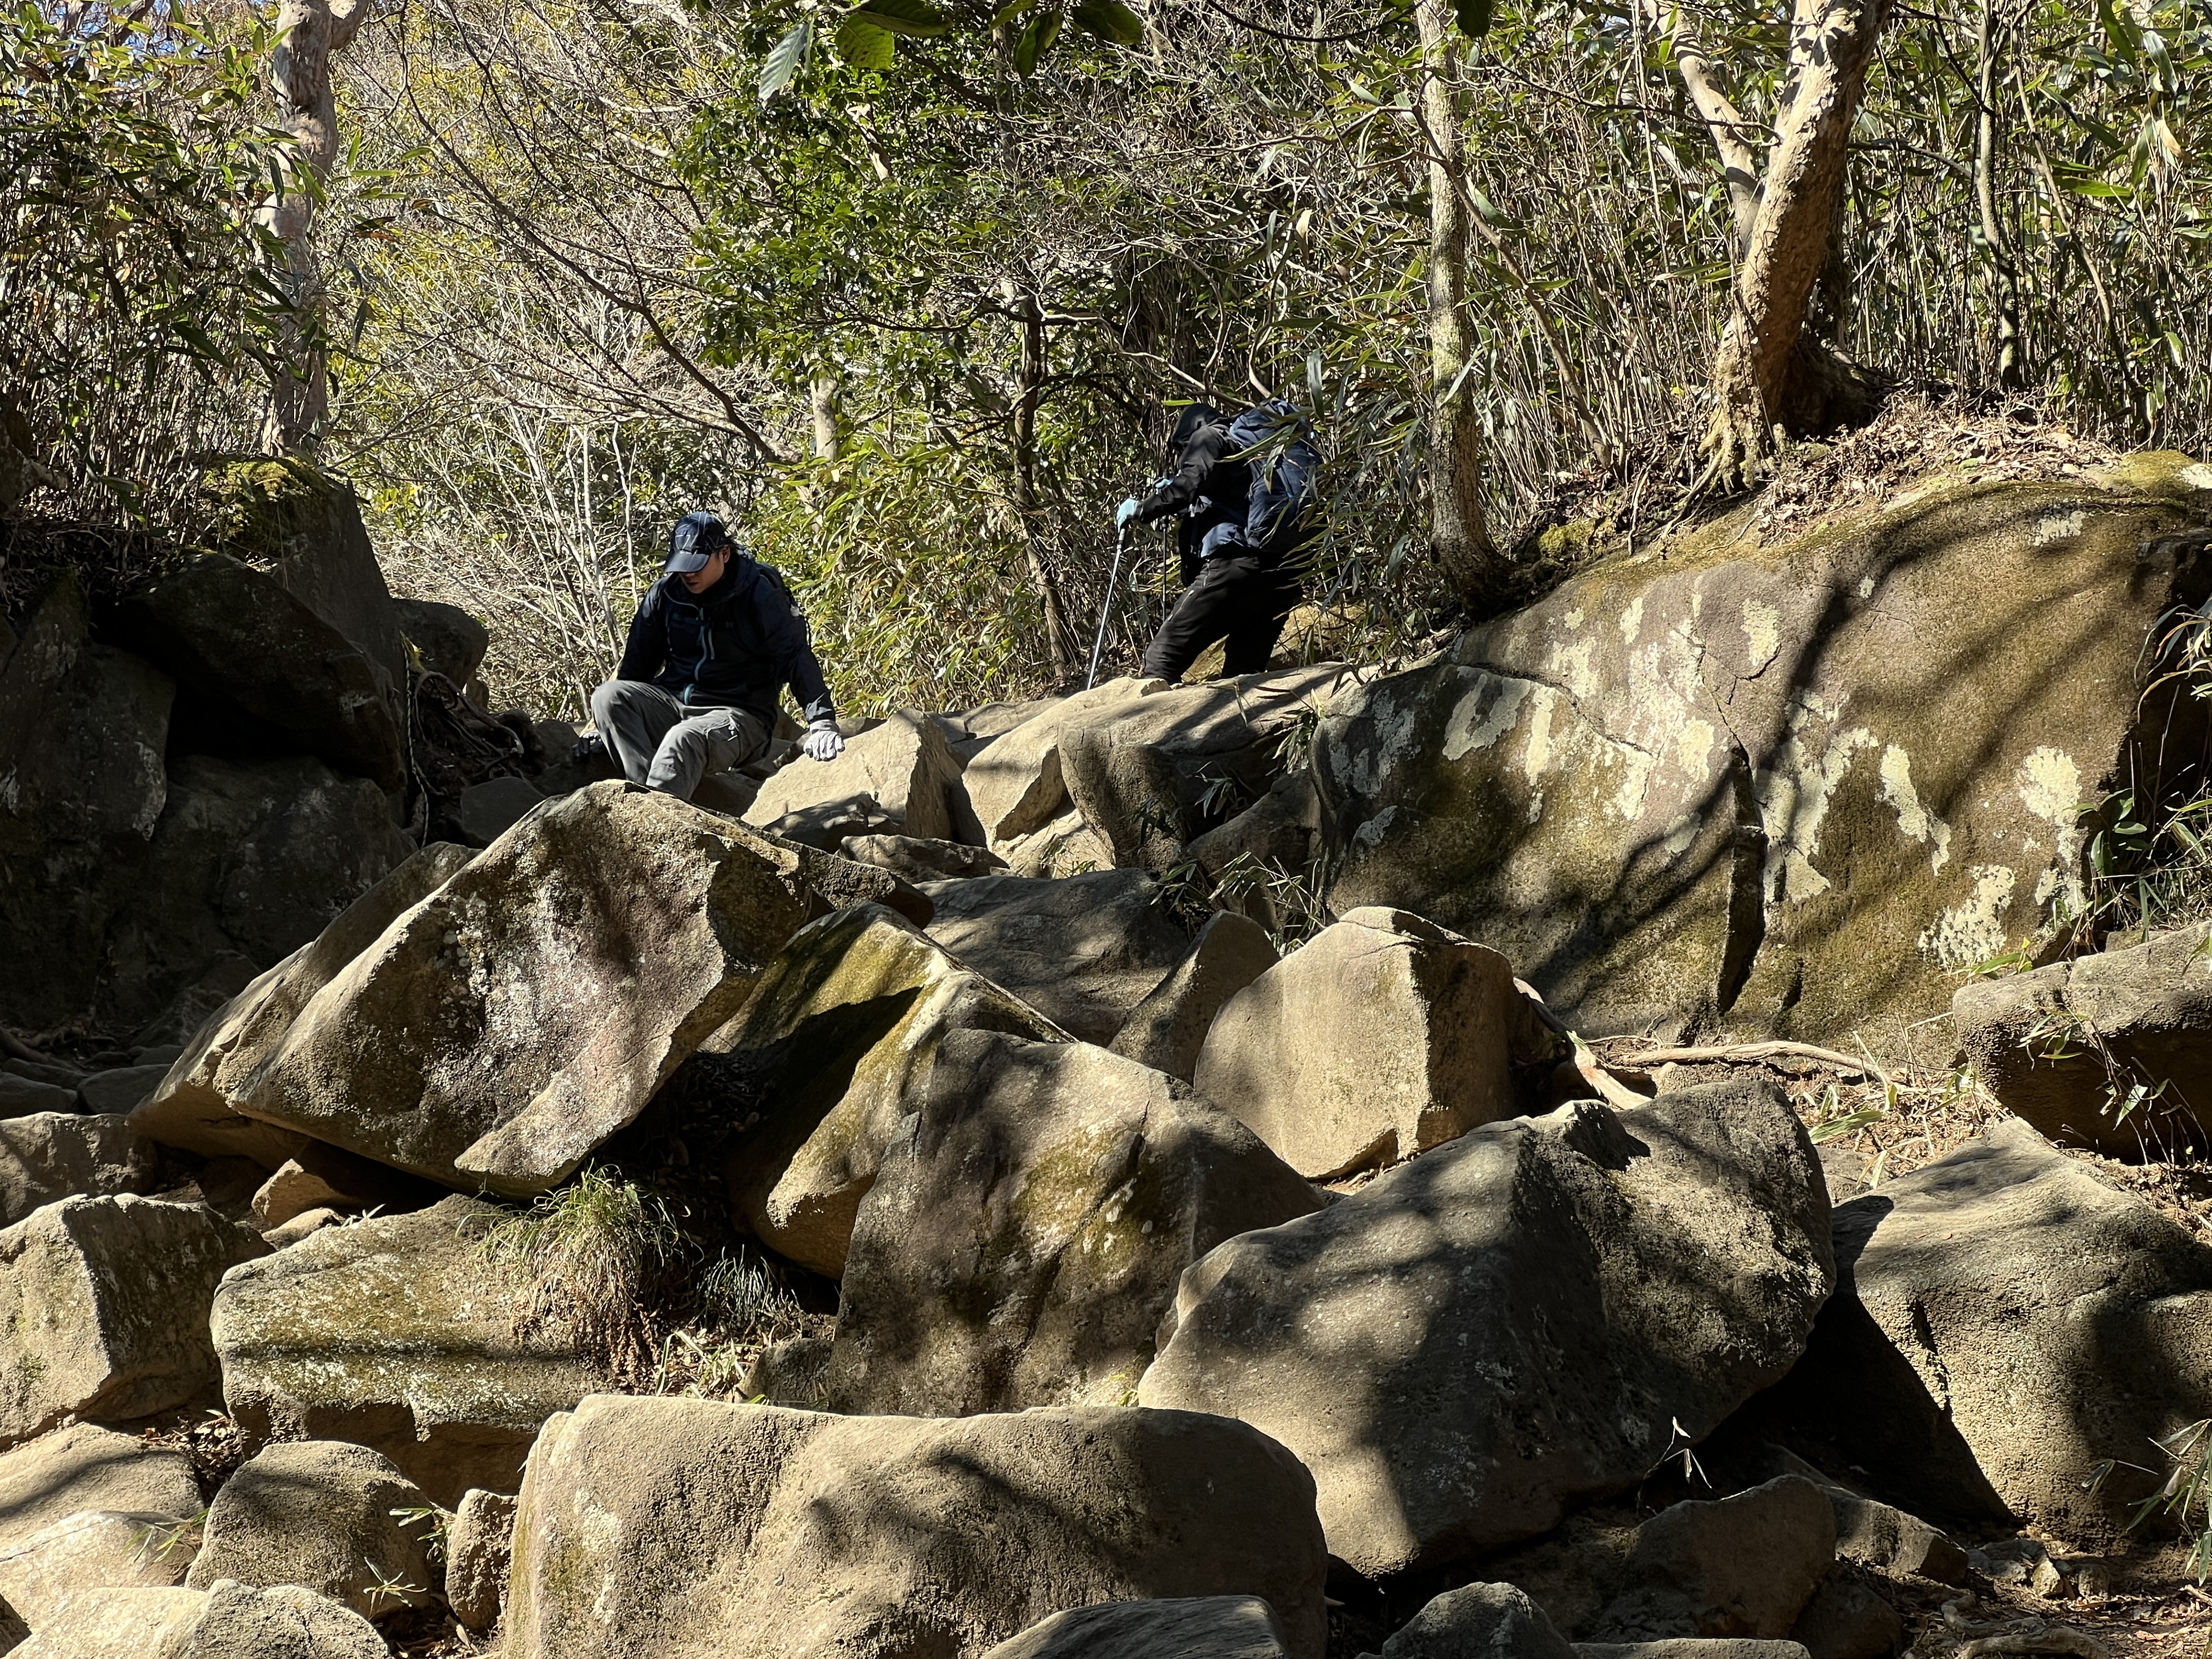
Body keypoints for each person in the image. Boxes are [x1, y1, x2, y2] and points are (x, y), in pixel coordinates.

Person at [583, 512, 844, 800]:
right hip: (673, 703)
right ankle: (647, 796)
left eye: (697, 565)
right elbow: (636, 668)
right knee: (607, 697)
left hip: (740, 715)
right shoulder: (666, 594)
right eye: (682, 565)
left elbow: (796, 656)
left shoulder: (759, 594)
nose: (688, 574)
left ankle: (654, 817)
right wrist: (604, 727)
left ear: (724, 554)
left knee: (683, 739)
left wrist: (821, 722)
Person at [1116, 400, 1310, 682]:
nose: (1184, 454)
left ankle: (1140, 725)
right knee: (1244, 674)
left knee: (1163, 655)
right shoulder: (1252, 449)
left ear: (1193, 428)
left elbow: (1186, 487)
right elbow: (1226, 498)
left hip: (1236, 568)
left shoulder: (1208, 436)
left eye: (1184, 448)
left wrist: (1143, 507)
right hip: (1283, 576)